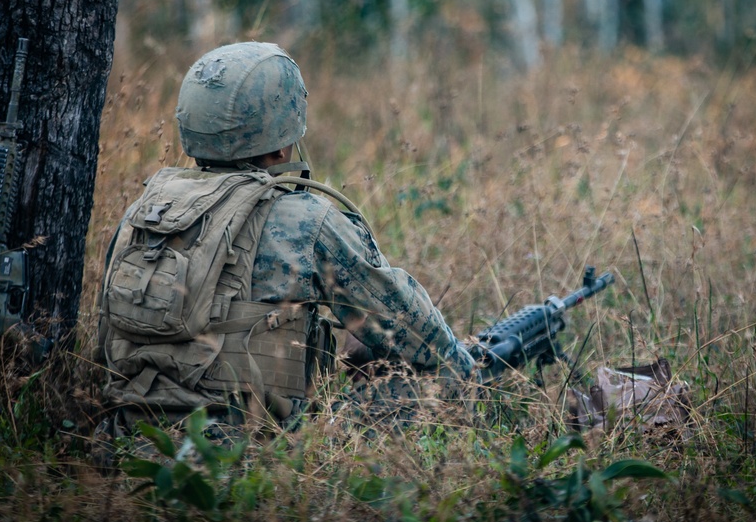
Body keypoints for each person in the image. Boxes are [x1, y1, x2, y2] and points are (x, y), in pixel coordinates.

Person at [96, 42, 474, 432]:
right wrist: (471, 375)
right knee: (442, 379)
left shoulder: (146, 211)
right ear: (281, 142)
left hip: (130, 437)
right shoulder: (308, 218)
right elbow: (422, 341)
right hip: (244, 449)